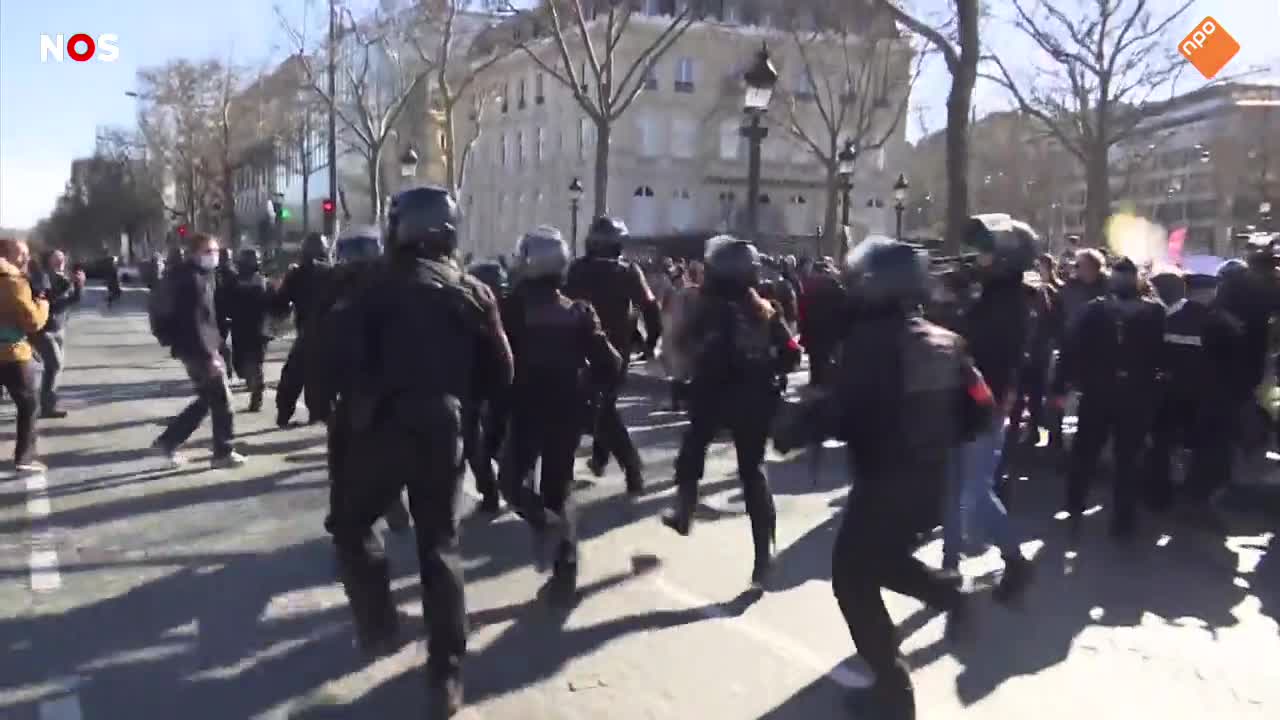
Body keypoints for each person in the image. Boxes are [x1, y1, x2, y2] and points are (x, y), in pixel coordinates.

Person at [773, 238, 987, 720]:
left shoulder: (871, 343)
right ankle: (949, 594)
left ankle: (893, 691)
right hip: (931, 484)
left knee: (851, 578)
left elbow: (844, 408)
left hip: (885, 479)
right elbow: (982, 408)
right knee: (880, 561)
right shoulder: (944, 339)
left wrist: (793, 427)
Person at [326, 186, 512, 718]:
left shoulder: (368, 286)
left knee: (351, 524)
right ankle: (447, 673)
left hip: (381, 429)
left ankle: (379, 622)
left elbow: (339, 358)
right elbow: (502, 372)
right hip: (444, 431)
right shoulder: (474, 291)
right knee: (440, 548)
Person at [661, 236, 801, 587]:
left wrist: (685, 373)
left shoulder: (703, 307)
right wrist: (765, 364)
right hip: (755, 400)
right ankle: (763, 557)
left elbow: (679, 344)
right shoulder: (765, 309)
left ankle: (685, 509)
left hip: (712, 395)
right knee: (753, 472)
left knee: (693, 446)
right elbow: (792, 354)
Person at [499, 226, 621, 602]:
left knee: (512, 484)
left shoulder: (511, 308)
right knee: (558, 488)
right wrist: (589, 385)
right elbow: (611, 362)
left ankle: (545, 524)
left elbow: (493, 356)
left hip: (525, 409)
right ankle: (564, 567)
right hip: (567, 411)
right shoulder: (579, 311)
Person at [942, 215, 1036, 600]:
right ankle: (948, 566)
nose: (974, 258)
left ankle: (1015, 557)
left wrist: (957, 306)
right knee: (951, 486)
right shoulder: (989, 295)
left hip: (984, 404)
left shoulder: (1011, 302)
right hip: (958, 399)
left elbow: (976, 346)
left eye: (984, 252)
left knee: (975, 490)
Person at [1052, 256, 1165, 541]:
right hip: (1130, 395)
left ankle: (1077, 504)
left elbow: (1070, 348)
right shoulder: (1152, 313)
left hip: (1101, 392)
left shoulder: (1095, 311)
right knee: (1124, 458)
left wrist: (1062, 384)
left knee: (1089, 453)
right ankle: (1121, 519)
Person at [564, 216, 661, 493]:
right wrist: (651, 342)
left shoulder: (576, 270)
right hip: (614, 353)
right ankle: (621, 464)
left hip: (581, 350)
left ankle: (622, 464)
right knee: (601, 409)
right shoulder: (627, 272)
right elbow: (651, 308)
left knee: (598, 410)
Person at [1146, 271, 1247, 527]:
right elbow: (1233, 366)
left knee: (1163, 446)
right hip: (1207, 398)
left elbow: (1159, 355)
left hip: (1172, 392)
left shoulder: (1171, 318)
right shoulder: (1222, 323)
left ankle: (1157, 496)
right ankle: (1197, 502)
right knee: (1208, 450)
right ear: (1211, 291)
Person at [150, 233, 246, 469]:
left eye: (215, 251)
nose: (214, 256)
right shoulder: (192, 280)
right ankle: (223, 452)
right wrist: (210, 355)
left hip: (191, 348)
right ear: (194, 253)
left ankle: (168, 441)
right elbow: (195, 322)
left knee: (208, 400)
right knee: (222, 401)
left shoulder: (191, 275)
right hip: (199, 350)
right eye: (208, 251)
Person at [464, 258, 512, 513]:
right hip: (498, 387)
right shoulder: (512, 310)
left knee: (478, 445)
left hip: (479, 388)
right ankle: (500, 488)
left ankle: (493, 491)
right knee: (492, 442)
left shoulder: (470, 313)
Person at [273, 232, 335, 426]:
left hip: (307, 332)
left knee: (293, 376)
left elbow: (280, 304)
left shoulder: (296, 274)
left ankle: (284, 414)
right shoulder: (333, 273)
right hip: (329, 333)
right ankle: (321, 414)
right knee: (324, 376)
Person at [0, 238, 50, 472]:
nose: (25, 259)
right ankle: (24, 458)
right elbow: (32, 322)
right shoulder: (13, 282)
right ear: (5, 255)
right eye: (21, 254)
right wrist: (42, 303)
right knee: (29, 403)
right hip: (11, 354)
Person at [30, 250, 84, 419]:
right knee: (54, 365)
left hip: (59, 329)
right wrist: (69, 286)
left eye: (62, 258)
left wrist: (79, 285)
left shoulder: (64, 277)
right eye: (57, 258)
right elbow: (50, 303)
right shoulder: (43, 277)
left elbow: (74, 300)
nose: (61, 261)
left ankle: (46, 403)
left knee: (55, 368)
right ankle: (45, 406)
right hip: (43, 330)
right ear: (49, 261)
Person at [226, 248, 274, 412]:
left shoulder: (259, 281)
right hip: (248, 327)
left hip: (250, 327)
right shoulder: (236, 282)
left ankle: (256, 389)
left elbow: (272, 303)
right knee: (246, 362)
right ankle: (254, 382)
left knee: (252, 361)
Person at [214, 247, 238, 383]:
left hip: (225, 312)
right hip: (218, 311)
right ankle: (226, 368)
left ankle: (228, 367)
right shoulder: (217, 272)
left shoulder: (232, 274)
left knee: (221, 342)